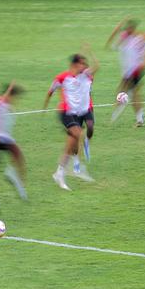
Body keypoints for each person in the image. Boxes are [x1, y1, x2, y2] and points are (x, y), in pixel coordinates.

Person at [45, 48, 98, 190]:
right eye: (82, 63)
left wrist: (90, 52)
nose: (85, 66)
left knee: (71, 142)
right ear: (75, 64)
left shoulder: (84, 75)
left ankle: (60, 172)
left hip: (77, 112)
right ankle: (69, 169)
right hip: (65, 112)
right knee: (77, 135)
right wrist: (45, 107)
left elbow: (96, 68)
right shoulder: (63, 77)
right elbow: (50, 91)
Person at [106, 17, 145, 126]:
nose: (127, 30)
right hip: (127, 72)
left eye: (129, 29)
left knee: (125, 92)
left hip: (135, 71)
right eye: (126, 29)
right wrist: (119, 25)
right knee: (132, 93)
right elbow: (110, 42)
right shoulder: (124, 38)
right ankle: (139, 117)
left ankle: (120, 116)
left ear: (132, 28)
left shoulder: (138, 39)